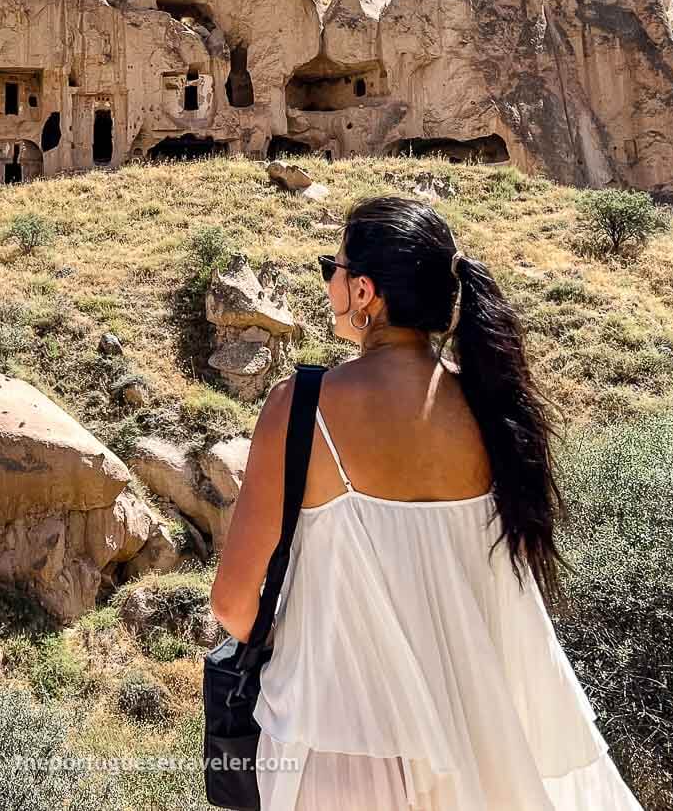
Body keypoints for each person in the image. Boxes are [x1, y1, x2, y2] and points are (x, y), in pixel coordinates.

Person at [209, 195, 643, 810]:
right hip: (473, 745)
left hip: (338, 753)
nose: (328, 282)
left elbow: (231, 602)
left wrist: (309, 638)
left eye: (330, 268)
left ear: (365, 293)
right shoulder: (492, 411)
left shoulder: (302, 407)